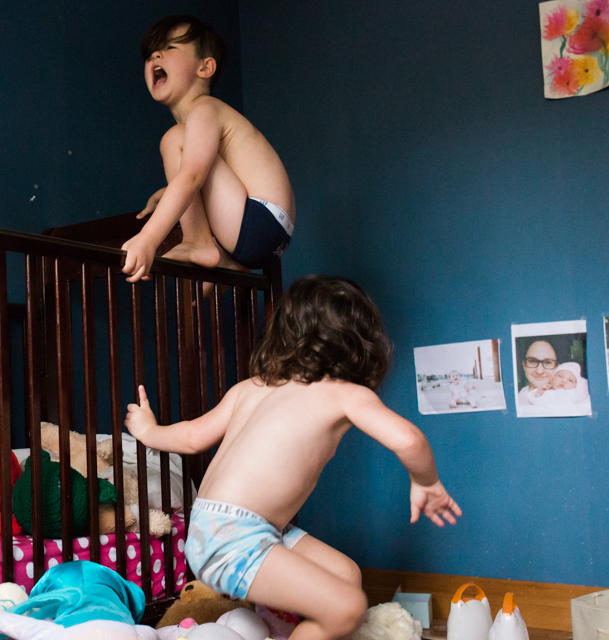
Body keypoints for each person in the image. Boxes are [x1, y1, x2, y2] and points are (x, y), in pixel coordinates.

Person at [124, 276, 462, 640]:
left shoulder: (252, 386)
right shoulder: (345, 393)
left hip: (219, 528)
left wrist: (147, 431)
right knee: (348, 608)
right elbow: (410, 440)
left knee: (345, 575)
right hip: (236, 537)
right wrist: (426, 482)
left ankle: (274, 628)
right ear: (360, 344)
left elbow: (191, 437)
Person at [121, 15, 296, 283]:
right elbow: (208, 175)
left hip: (259, 220)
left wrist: (148, 239)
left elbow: (192, 176)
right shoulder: (206, 118)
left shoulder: (204, 109)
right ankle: (231, 264)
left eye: (170, 48)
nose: (155, 55)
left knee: (173, 139)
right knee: (183, 160)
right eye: (150, 55)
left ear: (205, 68)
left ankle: (197, 242)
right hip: (270, 236)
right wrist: (168, 192)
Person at [525, 362, 589, 405]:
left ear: (575, 386)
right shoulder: (546, 391)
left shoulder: (572, 394)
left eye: (570, 380)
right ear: (552, 380)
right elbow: (534, 402)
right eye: (560, 376)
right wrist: (538, 393)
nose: (564, 381)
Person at [517, 340, 558, 405]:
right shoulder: (518, 399)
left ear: (557, 367)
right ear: (524, 365)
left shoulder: (567, 395)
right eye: (532, 361)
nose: (539, 371)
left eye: (548, 362)